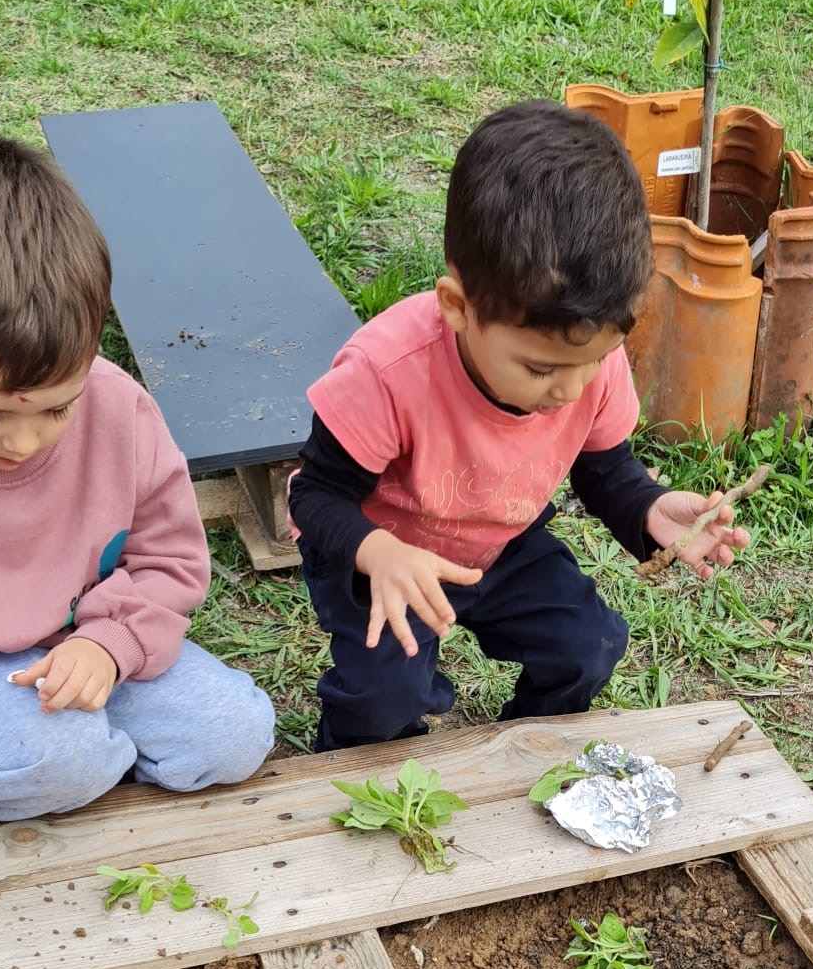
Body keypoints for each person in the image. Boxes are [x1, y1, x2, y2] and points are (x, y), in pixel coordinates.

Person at [0, 120, 274, 822]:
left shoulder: (119, 408)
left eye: (58, 407)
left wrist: (109, 644)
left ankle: (94, 756)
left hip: (89, 633)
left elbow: (168, 557)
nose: (25, 440)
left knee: (233, 736)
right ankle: (78, 760)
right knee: (54, 763)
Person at [290, 100, 748, 749]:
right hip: (384, 557)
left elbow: (603, 468)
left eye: (590, 362)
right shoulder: (389, 373)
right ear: (457, 307)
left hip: (499, 545)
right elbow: (315, 496)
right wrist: (378, 553)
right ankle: (353, 766)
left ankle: (523, 753)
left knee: (589, 646)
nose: (568, 389)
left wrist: (648, 510)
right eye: (539, 369)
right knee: (383, 698)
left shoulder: (587, 362)